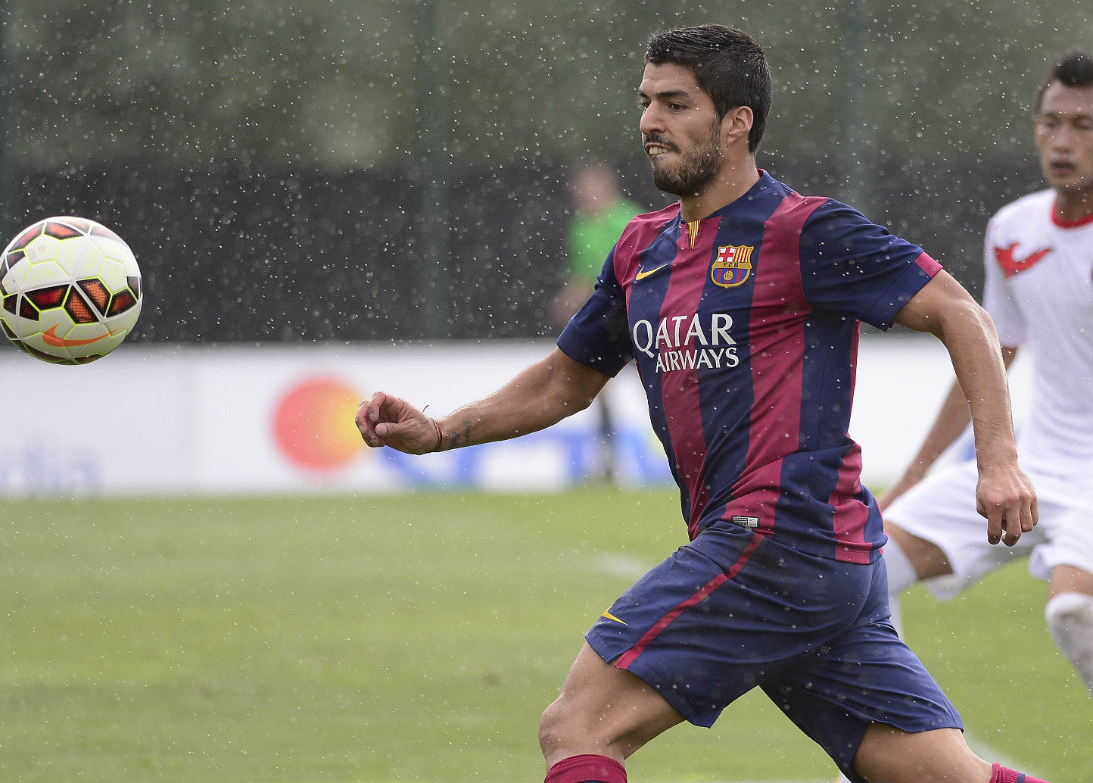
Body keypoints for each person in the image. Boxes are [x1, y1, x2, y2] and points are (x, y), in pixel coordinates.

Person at [356, 25, 1047, 783]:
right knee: (932, 770)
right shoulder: (640, 248)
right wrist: (439, 429)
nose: (650, 120)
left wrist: (999, 457)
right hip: (827, 556)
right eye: (646, 101)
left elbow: (963, 313)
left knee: (579, 724)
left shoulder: (803, 229)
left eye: (677, 103)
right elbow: (565, 380)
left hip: (778, 537)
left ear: (736, 121)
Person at [878, 49, 1093, 701]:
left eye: (1084, 126)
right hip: (1035, 465)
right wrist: (912, 477)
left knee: (1072, 611)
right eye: (1051, 122)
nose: (1062, 141)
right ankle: (894, 745)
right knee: (860, 564)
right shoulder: (1013, 230)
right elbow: (991, 358)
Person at [548, 164, 645, 482]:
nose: (585, 194)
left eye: (591, 186)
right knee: (600, 390)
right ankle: (608, 463)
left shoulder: (628, 219)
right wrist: (570, 297)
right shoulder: (580, 226)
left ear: (608, 187)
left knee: (658, 388)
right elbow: (583, 276)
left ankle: (689, 454)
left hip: (638, 320)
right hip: (607, 325)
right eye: (581, 188)